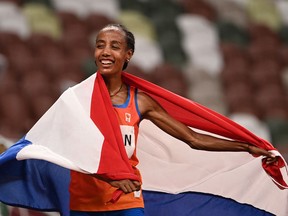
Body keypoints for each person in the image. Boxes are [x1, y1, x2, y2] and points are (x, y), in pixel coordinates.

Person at [69, 24, 277, 216]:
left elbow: (193, 139)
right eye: (100, 46)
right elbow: (71, 150)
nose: (105, 52)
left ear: (128, 54)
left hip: (125, 201)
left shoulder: (140, 103)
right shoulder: (78, 98)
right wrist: (111, 175)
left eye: (115, 46)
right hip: (84, 201)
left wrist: (245, 147)